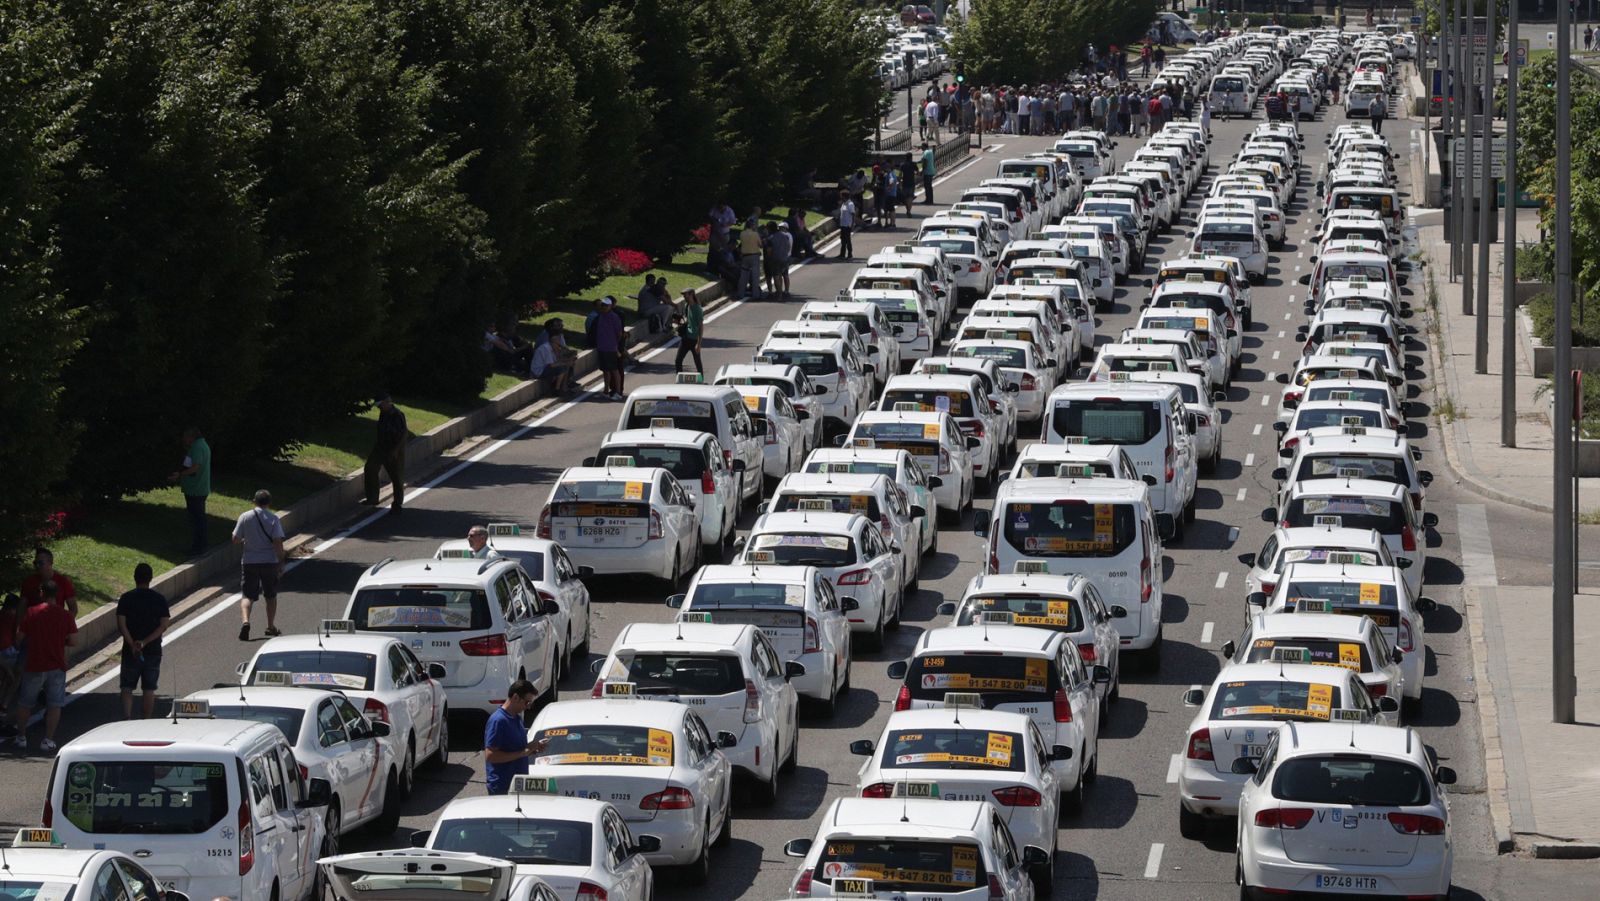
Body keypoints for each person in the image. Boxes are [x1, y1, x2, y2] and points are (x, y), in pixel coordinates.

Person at [12, 580, 77, 753]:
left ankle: (21, 737)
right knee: (54, 704)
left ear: (41, 593)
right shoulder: (65, 615)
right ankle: (48, 739)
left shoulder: (32, 612)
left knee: (25, 702)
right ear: (57, 594)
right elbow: (73, 640)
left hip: (35, 663)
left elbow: (19, 636)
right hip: (56, 664)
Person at [116, 563, 169, 720]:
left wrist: (132, 643)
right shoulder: (159, 599)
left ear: (135, 577)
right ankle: (146, 721)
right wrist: (145, 642)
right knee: (149, 688)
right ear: (150, 578)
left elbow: (121, 624)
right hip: (152, 651)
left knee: (127, 687)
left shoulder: (126, 598)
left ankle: (126, 718)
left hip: (130, 651)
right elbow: (164, 625)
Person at [233, 489, 285, 641]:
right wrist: (281, 562)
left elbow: (235, 539)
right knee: (270, 595)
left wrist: (245, 540)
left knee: (247, 595)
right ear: (269, 503)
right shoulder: (273, 519)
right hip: (269, 562)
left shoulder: (245, 516)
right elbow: (277, 542)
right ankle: (270, 626)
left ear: (254, 501)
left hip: (250, 561)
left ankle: (245, 621)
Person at [482, 679, 540, 795]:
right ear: (515, 697)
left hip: (519, 786)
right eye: (527, 702)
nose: (528, 707)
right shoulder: (498, 721)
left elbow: (517, 748)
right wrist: (522, 753)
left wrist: (532, 748)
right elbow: (490, 756)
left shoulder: (517, 718)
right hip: (503, 788)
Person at [168, 426, 211, 556]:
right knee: (198, 519)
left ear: (191, 437)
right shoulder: (202, 445)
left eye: (185, 437)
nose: (183, 439)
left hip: (195, 489)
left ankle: (199, 547)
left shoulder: (197, 447)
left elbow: (195, 467)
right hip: (199, 488)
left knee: (197, 520)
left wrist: (180, 474)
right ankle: (199, 546)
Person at [364, 392, 408, 510]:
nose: (379, 407)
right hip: (381, 447)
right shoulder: (383, 413)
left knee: (396, 477)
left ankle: (397, 504)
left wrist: (396, 451)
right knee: (370, 467)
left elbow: (403, 434)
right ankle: (372, 498)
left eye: (380, 404)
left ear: (386, 402)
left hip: (394, 448)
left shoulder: (397, 415)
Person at [20, 548, 77, 619]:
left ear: (50, 563)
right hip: (34, 623)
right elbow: (21, 608)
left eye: (40, 563)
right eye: (35, 563)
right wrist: (19, 625)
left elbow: (73, 609)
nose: (37, 566)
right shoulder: (29, 581)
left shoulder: (63, 582)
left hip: (56, 622)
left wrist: (64, 623)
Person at [529, 319, 575, 396]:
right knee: (562, 368)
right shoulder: (546, 348)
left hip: (547, 367)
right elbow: (551, 365)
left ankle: (563, 387)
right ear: (552, 341)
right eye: (557, 342)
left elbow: (557, 360)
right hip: (538, 371)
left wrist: (568, 360)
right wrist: (565, 362)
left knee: (567, 365)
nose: (559, 344)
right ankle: (556, 390)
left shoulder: (554, 347)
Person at [593, 296, 627, 400]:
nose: (604, 307)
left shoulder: (614, 317)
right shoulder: (600, 316)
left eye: (606, 305)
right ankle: (606, 391)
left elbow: (619, 333)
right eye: (602, 305)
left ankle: (618, 392)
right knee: (605, 370)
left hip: (611, 348)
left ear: (610, 306)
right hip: (601, 347)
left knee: (614, 370)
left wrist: (614, 344)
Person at [674, 289, 705, 374]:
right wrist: (679, 322)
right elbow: (687, 321)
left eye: (685, 295)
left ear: (691, 294)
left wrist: (699, 344)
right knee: (678, 360)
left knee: (697, 361)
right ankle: (679, 379)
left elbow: (701, 326)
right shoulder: (687, 306)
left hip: (694, 340)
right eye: (683, 295)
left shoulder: (697, 309)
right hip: (686, 338)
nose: (684, 297)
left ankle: (701, 379)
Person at [736, 219, 763, 299]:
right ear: (752, 226)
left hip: (745, 256)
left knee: (743, 276)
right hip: (754, 256)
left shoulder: (742, 234)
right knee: (755, 276)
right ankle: (755, 295)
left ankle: (740, 293)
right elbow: (760, 245)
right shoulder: (755, 234)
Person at [767, 222, 793, 297]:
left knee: (776, 277)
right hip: (785, 258)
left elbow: (769, 250)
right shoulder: (786, 236)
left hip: (776, 259)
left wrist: (769, 258)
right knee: (784, 275)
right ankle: (785, 291)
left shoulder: (771, 238)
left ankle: (779, 293)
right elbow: (788, 247)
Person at [835, 189, 856, 260]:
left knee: (847, 240)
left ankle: (850, 254)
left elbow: (853, 214)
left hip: (847, 225)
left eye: (841, 196)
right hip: (843, 225)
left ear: (844, 196)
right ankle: (842, 254)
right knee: (843, 240)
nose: (840, 197)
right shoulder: (843, 204)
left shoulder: (850, 204)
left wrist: (852, 225)